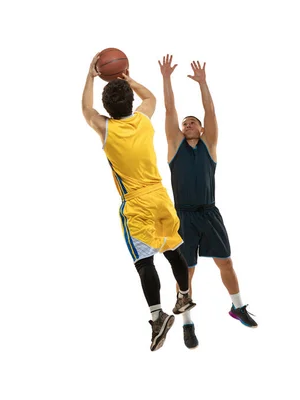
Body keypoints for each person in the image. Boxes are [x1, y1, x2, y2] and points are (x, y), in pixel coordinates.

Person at [81, 52, 196, 351]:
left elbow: (86, 109)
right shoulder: (144, 120)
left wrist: (90, 75)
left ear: (107, 108)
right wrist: (129, 79)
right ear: (131, 102)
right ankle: (184, 294)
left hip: (137, 203)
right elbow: (151, 98)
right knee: (172, 248)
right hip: (161, 196)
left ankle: (158, 317)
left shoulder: (105, 129)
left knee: (144, 260)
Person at [158, 54, 258, 349]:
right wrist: (166, 78)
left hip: (209, 213)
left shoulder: (209, 146)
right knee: (186, 271)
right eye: (185, 122)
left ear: (201, 130)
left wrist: (203, 83)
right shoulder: (175, 146)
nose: (188, 123)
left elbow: (210, 111)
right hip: (183, 216)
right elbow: (169, 109)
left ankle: (237, 307)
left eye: (193, 122)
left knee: (225, 261)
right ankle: (187, 323)